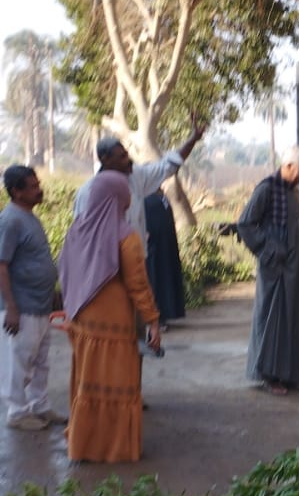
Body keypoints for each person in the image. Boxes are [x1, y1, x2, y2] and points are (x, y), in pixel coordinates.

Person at [58, 170, 161, 463]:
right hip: (115, 325)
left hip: (82, 322)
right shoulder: (126, 238)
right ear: (118, 198)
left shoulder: (78, 229)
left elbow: (65, 271)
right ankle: (115, 448)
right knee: (117, 384)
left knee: (86, 382)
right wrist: (152, 321)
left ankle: (84, 444)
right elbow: (138, 285)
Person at [237, 146, 299, 395]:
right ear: (288, 166)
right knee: (273, 321)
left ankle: (293, 377)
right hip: (275, 269)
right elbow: (246, 224)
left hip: (295, 269)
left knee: (294, 321)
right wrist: (270, 250)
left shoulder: (294, 193)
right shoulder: (266, 189)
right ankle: (271, 378)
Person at [0, 164, 66, 432]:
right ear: (17, 192)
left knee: (40, 360)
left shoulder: (29, 217)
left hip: (39, 305)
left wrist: (52, 293)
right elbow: (1, 265)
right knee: (19, 361)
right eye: (33, 186)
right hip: (21, 307)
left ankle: (39, 405)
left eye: (38, 184)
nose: (39, 190)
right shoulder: (10, 220)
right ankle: (17, 411)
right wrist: (12, 308)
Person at [73, 121, 205, 255]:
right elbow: (83, 236)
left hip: (136, 261)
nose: (128, 160)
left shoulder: (136, 176)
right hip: (106, 266)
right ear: (106, 160)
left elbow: (168, 166)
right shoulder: (87, 193)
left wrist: (193, 139)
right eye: (122, 157)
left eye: (127, 154)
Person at [144, 188, 186, 328]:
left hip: (156, 250)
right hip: (161, 250)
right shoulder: (160, 199)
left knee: (155, 281)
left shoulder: (152, 200)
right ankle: (159, 316)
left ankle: (157, 316)